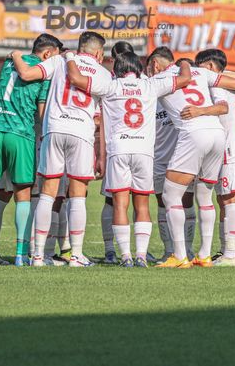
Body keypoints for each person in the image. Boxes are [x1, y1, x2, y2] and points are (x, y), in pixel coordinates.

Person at [66, 52, 192, 267]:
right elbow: (185, 79)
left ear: (116, 70)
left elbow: (76, 78)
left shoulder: (110, 86)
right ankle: (141, 256)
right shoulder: (150, 86)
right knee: (142, 205)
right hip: (144, 151)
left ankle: (125, 256)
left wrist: (70, 57)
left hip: (119, 150)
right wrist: (186, 64)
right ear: (139, 69)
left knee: (120, 205)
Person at [11, 31, 112, 267]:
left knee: (47, 193)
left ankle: (37, 255)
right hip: (81, 133)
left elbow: (26, 74)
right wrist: (101, 153)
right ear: (98, 52)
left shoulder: (58, 60)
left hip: (54, 129)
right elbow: (100, 116)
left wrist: (15, 54)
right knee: (77, 196)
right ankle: (75, 255)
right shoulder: (104, 74)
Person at [0, 34, 63, 266]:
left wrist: (16, 55)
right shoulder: (43, 73)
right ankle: (21, 255)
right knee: (23, 196)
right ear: (47, 54)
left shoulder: (8, 63)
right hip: (21, 134)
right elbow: (40, 113)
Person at [147, 49, 235, 268]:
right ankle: (203, 255)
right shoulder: (200, 73)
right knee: (204, 196)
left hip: (193, 134)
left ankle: (180, 255)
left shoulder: (157, 81)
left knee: (170, 195)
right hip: (216, 133)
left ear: (155, 65)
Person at [194, 49, 235, 267]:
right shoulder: (229, 81)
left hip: (232, 147)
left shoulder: (216, 85)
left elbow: (221, 108)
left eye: (200, 66)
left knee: (228, 198)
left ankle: (229, 255)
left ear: (210, 67)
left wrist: (199, 111)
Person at [100, 41, 135, 264]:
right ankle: (113, 249)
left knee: (119, 200)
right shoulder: (110, 81)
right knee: (117, 200)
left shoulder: (110, 81)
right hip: (123, 145)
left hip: (120, 146)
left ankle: (117, 250)